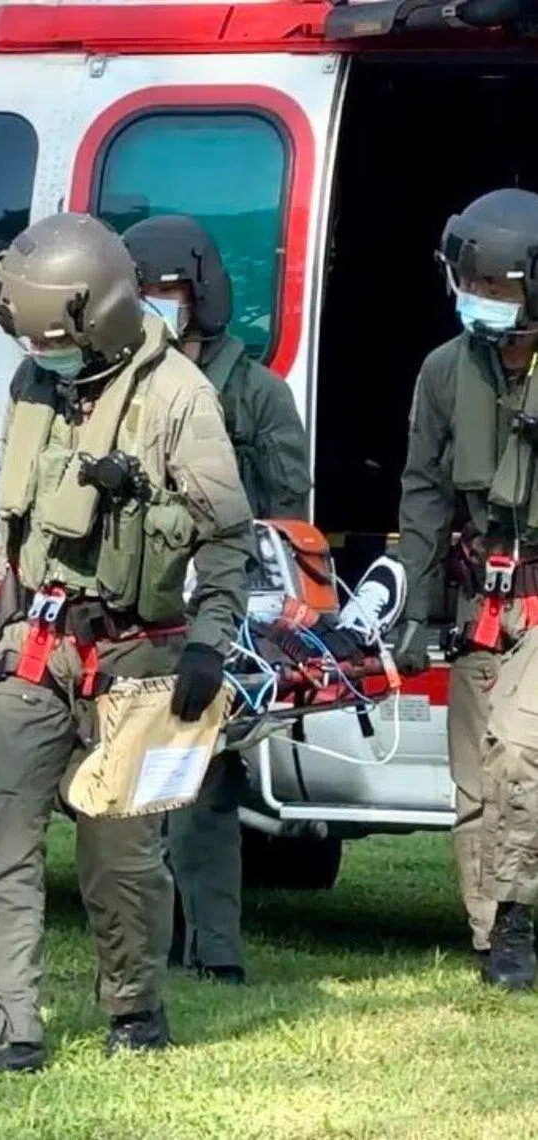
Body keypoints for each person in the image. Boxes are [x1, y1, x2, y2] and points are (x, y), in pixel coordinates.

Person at [0, 212, 254, 1074]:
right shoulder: (34, 381)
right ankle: (6, 1032)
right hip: (37, 645)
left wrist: (210, 643)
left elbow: (226, 534)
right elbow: (16, 520)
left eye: (56, 340)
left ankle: (134, 1011)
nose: (44, 355)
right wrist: (1, 618)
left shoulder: (180, 396)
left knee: (121, 857)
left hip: (138, 653)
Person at [122, 213, 311, 984]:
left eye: (165, 291)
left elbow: (285, 512)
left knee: (204, 786)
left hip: (227, 602)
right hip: (144, 602)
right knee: (141, 783)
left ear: (198, 295)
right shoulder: (125, 392)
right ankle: (157, 940)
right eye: (140, 293)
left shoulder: (259, 396)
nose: (153, 305)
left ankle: (217, 951)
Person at [393, 188, 538, 989]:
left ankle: (516, 922)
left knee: (520, 750)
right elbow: (422, 490)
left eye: (498, 287)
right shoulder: (444, 372)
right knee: (477, 781)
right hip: (479, 600)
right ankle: (493, 939)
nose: (478, 300)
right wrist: (414, 606)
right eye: (471, 283)